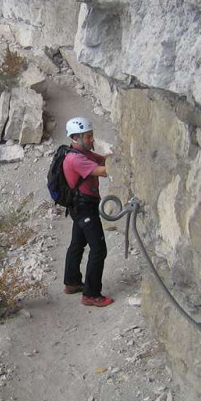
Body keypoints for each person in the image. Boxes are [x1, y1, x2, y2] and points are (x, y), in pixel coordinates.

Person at [62, 117, 114, 307]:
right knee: (99, 249)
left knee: (77, 243)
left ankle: (72, 281)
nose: (92, 139)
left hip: (80, 207)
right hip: (85, 208)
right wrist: (116, 164)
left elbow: (102, 159)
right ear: (76, 137)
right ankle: (91, 294)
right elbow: (102, 171)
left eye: (91, 135)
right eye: (89, 136)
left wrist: (115, 156)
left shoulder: (84, 153)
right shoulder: (76, 159)